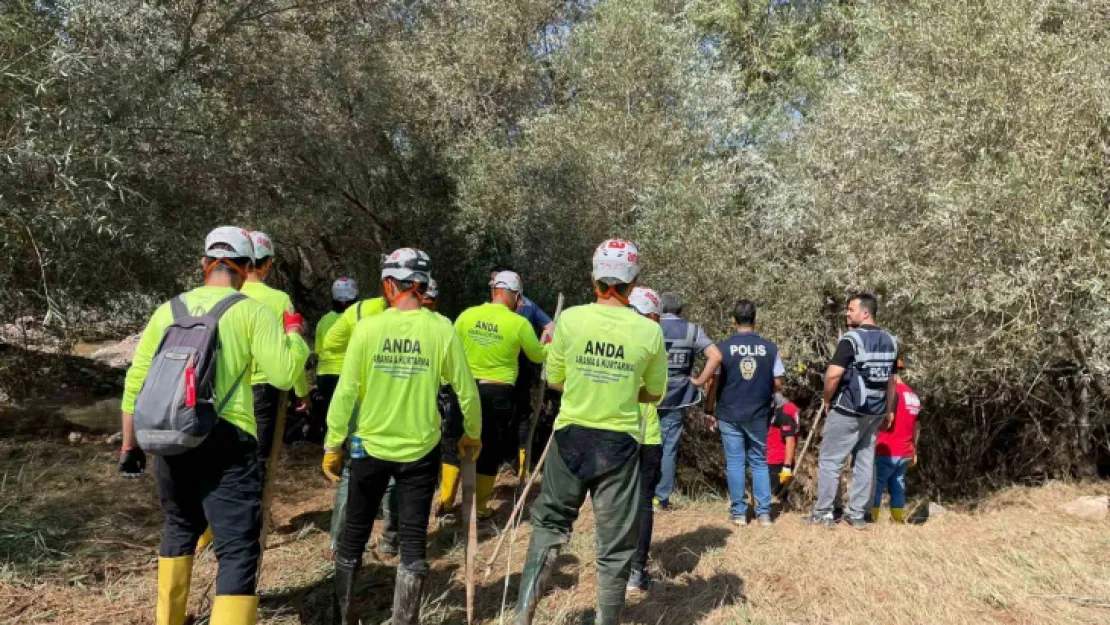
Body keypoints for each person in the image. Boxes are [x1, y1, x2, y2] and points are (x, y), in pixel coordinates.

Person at [119, 226, 309, 625]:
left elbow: (135, 383)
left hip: (172, 435)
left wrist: (129, 445)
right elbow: (282, 375)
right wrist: (294, 336)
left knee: (179, 527)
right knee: (237, 546)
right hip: (229, 438)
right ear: (245, 268)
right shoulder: (251, 310)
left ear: (204, 265)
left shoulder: (169, 309)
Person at [322, 248, 482, 625]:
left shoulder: (368, 328)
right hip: (420, 451)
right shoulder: (441, 328)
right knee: (412, 544)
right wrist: (471, 434)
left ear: (390, 285)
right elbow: (466, 390)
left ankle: (341, 617)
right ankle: (404, 618)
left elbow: (346, 392)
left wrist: (332, 443)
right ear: (422, 285)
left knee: (353, 539)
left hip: (369, 448)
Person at [515, 239, 667, 625]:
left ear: (595, 277)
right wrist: (621, 383)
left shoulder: (571, 320)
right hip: (619, 444)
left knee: (548, 528)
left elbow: (555, 379)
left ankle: (522, 617)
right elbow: (653, 392)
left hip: (569, 439)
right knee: (615, 547)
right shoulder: (648, 332)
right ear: (633, 283)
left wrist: (587, 380)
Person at [450, 271, 546, 522]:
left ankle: (446, 500)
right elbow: (537, 355)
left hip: (465, 388)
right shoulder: (518, 323)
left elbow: (450, 348)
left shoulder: (467, 315)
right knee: (489, 447)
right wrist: (550, 346)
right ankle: (478, 508)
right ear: (513, 294)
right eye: (518, 297)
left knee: (453, 441)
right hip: (498, 391)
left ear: (494, 291)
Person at [808, 293, 899, 529]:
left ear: (865, 313)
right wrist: (889, 409)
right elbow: (891, 381)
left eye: (851, 309)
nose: (847, 313)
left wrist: (828, 399)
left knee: (830, 460)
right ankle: (857, 514)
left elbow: (834, 374)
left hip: (849, 409)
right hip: (875, 410)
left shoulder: (851, 339)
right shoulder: (891, 340)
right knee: (865, 461)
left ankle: (824, 513)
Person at [321, 270, 389, 557]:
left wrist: (331, 443)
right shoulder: (424, 319)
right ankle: (391, 538)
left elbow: (327, 344)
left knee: (354, 465)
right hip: (384, 391)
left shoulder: (355, 314)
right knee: (397, 466)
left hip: (348, 388)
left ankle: (339, 542)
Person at [702, 300, 782, 526]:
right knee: (759, 461)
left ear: (733, 321)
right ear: (755, 320)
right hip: (758, 412)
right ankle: (764, 513)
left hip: (729, 413)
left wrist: (708, 410)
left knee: (735, 462)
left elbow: (713, 383)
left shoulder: (721, 349)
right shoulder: (770, 348)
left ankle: (739, 513)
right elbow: (778, 383)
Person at [241, 231, 310, 486]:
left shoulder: (224, 296)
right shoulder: (279, 300)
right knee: (260, 456)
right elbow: (292, 351)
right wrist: (301, 392)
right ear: (267, 263)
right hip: (264, 388)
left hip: (226, 387)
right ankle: (255, 517)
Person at [654, 292, 722, 509]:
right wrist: (700, 381)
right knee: (668, 448)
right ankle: (661, 498)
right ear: (680, 310)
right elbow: (716, 356)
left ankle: (639, 494)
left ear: (660, 308)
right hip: (678, 396)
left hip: (647, 395)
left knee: (641, 444)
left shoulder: (650, 325)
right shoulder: (693, 330)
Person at [488, 267, 556, 475]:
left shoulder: (523, 306)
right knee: (517, 414)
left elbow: (550, 326)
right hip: (513, 368)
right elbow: (551, 326)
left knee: (515, 414)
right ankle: (512, 464)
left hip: (511, 369)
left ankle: (517, 465)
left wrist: (544, 345)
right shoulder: (525, 304)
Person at [626, 286, 664, 592]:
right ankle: (636, 571)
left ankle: (613, 569)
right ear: (651, 315)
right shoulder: (652, 338)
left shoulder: (607, 330)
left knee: (612, 501)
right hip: (644, 433)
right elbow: (657, 390)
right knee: (641, 502)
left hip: (609, 430)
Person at [873, 363, 920, 523]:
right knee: (898, 485)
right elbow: (917, 426)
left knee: (877, 485)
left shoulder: (893, 392)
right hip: (905, 450)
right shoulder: (913, 396)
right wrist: (914, 449)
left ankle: (871, 518)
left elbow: (888, 419)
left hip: (887, 449)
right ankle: (897, 519)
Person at [316, 276, 360, 413]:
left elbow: (318, 349)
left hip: (324, 375)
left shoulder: (324, 320)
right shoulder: (355, 320)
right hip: (345, 375)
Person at [767, 395, 799, 494]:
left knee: (771, 494)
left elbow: (790, 440)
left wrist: (787, 467)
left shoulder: (785, 411)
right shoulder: (779, 408)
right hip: (771, 456)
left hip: (777, 461)